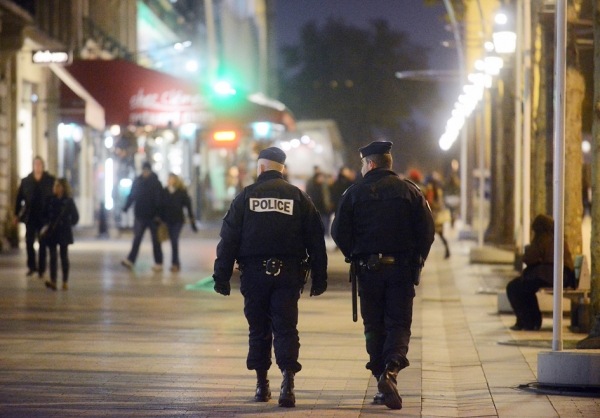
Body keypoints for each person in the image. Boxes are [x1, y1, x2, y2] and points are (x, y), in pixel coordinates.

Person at [212, 147, 328, 408]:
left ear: (261, 168)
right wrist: (320, 278)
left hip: (254, 274)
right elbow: (316, 240)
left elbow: (228, 239)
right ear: (282, 169)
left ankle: (262, 384)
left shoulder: (245, 197)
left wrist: (221, 276)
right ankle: (287, 384)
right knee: (286, 328)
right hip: (288, 274)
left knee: (258, 329)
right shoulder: (299, 197)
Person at [331, 141, 435, 410]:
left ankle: (380, 376)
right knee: (399, 324)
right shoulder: (411, 191)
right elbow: (427, 231)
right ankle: (391, 371)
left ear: (371, 164)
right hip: (401, 270)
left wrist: (353, 253)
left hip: (368, 272)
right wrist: (417, 259)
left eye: (363, 164)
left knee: (373, 327)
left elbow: (338, 231)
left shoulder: (353, 193)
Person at [506, 214, 575, 331]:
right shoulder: (558, 237)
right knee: (526, 288)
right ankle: (532, 321)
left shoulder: (543, 238)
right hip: (562, 277)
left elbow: (528, 258)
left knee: (514, 287)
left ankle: (526, 320)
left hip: (547, 276)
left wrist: (529, 249)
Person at [14, 156, 56, 278]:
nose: (37, 167)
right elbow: (19, 198)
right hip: (30, 215)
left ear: (43, 166)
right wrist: (16, 215)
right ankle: (31, 266)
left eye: (39, 164)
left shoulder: (49, 180)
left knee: (43, 242)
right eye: (35, 164)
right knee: (29, 241)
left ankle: (42, 268)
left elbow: (53, 198)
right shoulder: (26, 181)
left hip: (44, 216)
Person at [121, 161, 164, 272]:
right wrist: (126, 207)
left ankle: (158, 262)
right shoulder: (138, 181)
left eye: (147, 170)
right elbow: (132, 195)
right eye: (144, 170)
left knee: (156, 240)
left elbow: (160, 200)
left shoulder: (156, 183)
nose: (145, 172)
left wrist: (159, 215)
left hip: (153, 217)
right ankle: (130, 260)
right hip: (140, 215)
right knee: (137, 239)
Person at [41, 178, 79, 290]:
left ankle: (65, 281)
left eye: (58, 185)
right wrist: (46, 224)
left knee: (63, 256)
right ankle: (53, 281)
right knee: (52, 256)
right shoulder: (50, 200)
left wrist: (68, 224)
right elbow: (44, 214)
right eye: (55, 185)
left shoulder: (68, 201)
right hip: (52, 231)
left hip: (63, 232)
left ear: (63, 188)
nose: (55, 188)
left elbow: (76, 217)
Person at [161, 173, 198, 272]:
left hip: (178, 220)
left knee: (174, 240)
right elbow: (160, 206)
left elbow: (188, 207)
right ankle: (175, 263)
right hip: (168, 220)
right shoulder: (164, 191)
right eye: (169, 179)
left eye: (171, 179)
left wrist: (192, 222)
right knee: (172, 240)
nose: (170, 181)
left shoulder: (181, 192)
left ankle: (175, 263)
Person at [425, 177, 451, 259]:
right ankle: (424, 254)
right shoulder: (430, 192)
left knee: (440, 236)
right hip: (431, 218)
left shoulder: (438, 193)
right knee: (427, 237)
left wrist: (432, 204)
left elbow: (439, 205)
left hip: (437, 219)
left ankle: (447, 251)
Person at [305, 167, 332, 236]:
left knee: (325, 220)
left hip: (324, 205)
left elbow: (327, 194)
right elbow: (308, 193)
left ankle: (325, 234)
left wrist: (329, 203)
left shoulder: (324, 184)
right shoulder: (311, 183)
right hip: (315, 205)